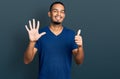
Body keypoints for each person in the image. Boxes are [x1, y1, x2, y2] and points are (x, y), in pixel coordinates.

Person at [24, 1, 84, 79]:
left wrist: (80, 47)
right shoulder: (39, 34)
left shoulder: (71, 34)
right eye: (55, 11)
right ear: (49, 14)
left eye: (62, 12)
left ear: (64, 15)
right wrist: (32, 42)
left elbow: (79, 62)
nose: (59, 14)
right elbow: (27, 60)